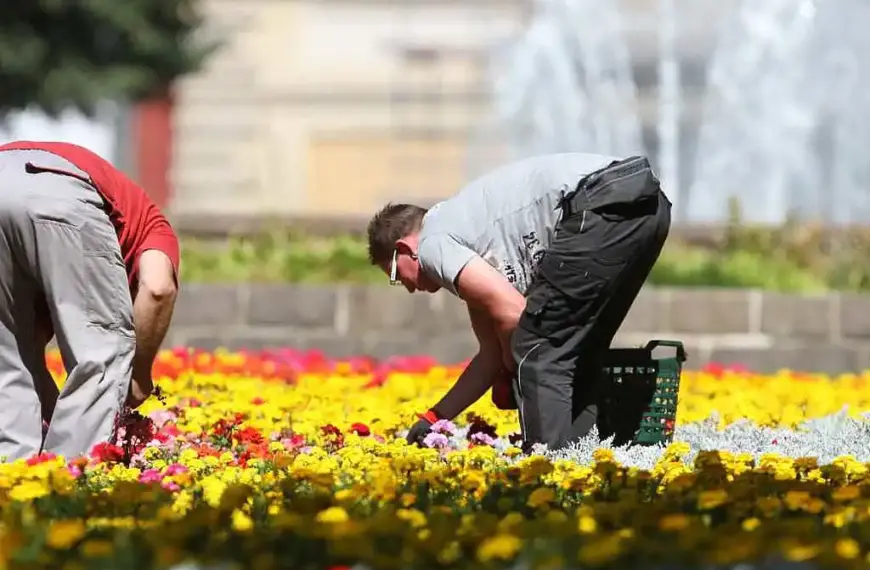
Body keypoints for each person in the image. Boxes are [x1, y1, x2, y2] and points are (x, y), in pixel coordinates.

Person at [365, 153, 671, 452]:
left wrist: (515, 372)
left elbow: (514, 315)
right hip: (644, 204)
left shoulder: (434, 243)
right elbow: (491, 355)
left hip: (602, 201)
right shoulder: (466, 241)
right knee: (576, 348)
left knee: (539, 346)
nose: (405, 287)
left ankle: (547, 474)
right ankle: (586, 462)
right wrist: (435, 417)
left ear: (405, 248)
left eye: (394, 273)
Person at [0, 140, 180, 462]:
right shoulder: (152, 225)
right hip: (60, 189)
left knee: (9, 361)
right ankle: (69, 491)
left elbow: (34, 363)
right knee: (102, 358)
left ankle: (12, 487)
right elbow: (157, 288)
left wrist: (57, 417)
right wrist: (137, 374)